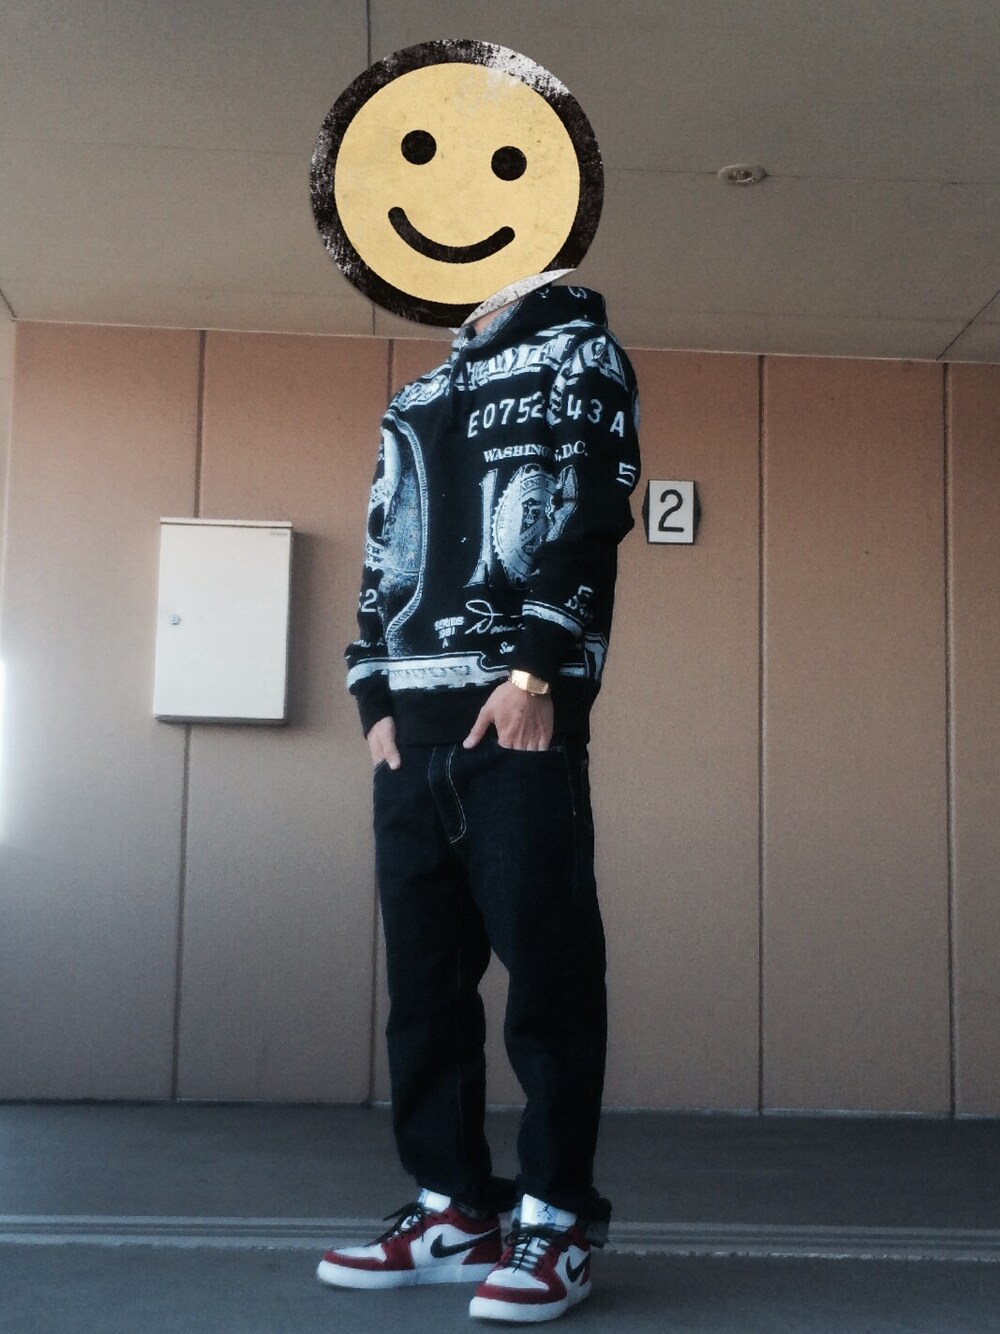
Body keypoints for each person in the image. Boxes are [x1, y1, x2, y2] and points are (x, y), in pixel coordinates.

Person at [319, 274, 640, 1324]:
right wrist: (371, 692)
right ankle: (454, 1207)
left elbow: (591, 510)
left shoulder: (581, 355)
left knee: (550, 982)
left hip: (519, 718)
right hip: (409, 737)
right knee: (424, 989)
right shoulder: (414, 397)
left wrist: (537, 671)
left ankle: (557, 1218)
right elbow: (383, 541)